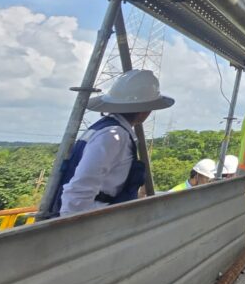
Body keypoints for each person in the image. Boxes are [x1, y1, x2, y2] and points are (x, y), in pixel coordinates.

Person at [53, 69, 174, 217]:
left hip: (95, 215)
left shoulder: (106, 129)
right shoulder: (113, 137)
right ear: (145, 110)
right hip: (92, 216)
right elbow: (80, 189)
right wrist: (70, 228)